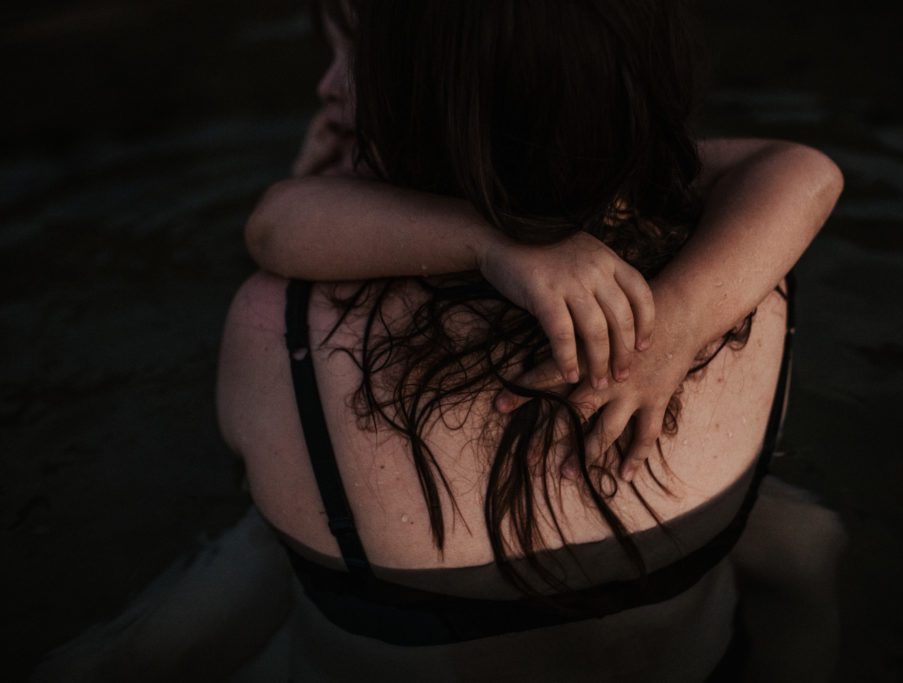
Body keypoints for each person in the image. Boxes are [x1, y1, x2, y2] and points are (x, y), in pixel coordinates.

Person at [218, 1, 846, 680]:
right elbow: (803, 172)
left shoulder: (280, 328)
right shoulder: (750, 279)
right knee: (806, 538)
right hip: (703, 652)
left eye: (357, 55)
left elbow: (273, 228)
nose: (329, 87)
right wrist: (685, 318)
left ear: (423, 88)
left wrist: (371, 193)